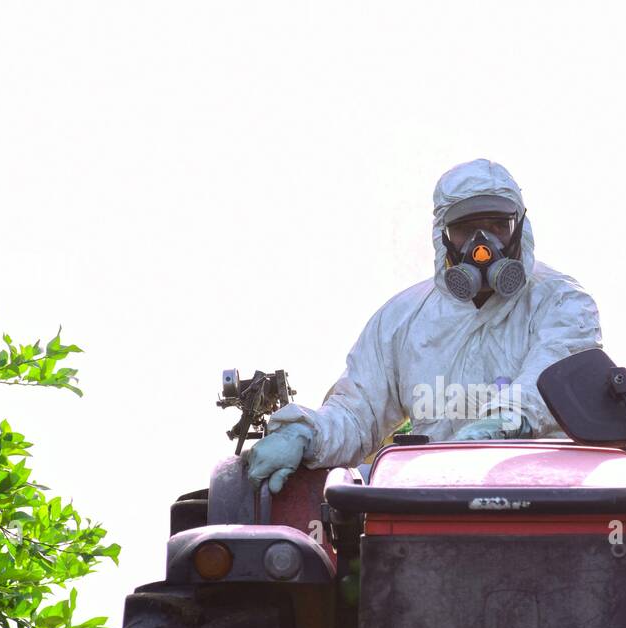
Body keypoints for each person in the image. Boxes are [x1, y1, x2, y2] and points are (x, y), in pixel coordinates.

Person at [247, 158, 603, 493]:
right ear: (443, 237)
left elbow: (547, 376)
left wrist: (503, 426)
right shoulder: (403, 319)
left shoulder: (561, 303)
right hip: (430, 495)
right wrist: (306, 434)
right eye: (465, 231)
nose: (483, 248)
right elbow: (357, 415)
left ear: (520, 229)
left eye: (497, 227)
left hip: (545, 495)